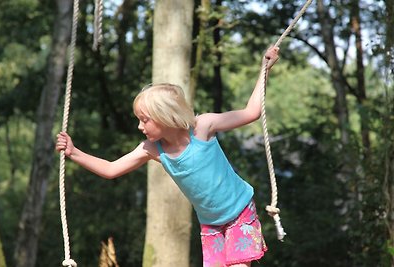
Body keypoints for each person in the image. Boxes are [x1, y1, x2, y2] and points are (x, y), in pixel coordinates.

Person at [56, 46, 279, 267]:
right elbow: (111, 169)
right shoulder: (151, 149)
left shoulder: (204, 127)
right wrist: (74, 152)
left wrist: (264, 69)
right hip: (211, 224)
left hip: (239, 210)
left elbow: (251, 113)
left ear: (165, 116)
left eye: (145, 120)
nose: (140, 126)